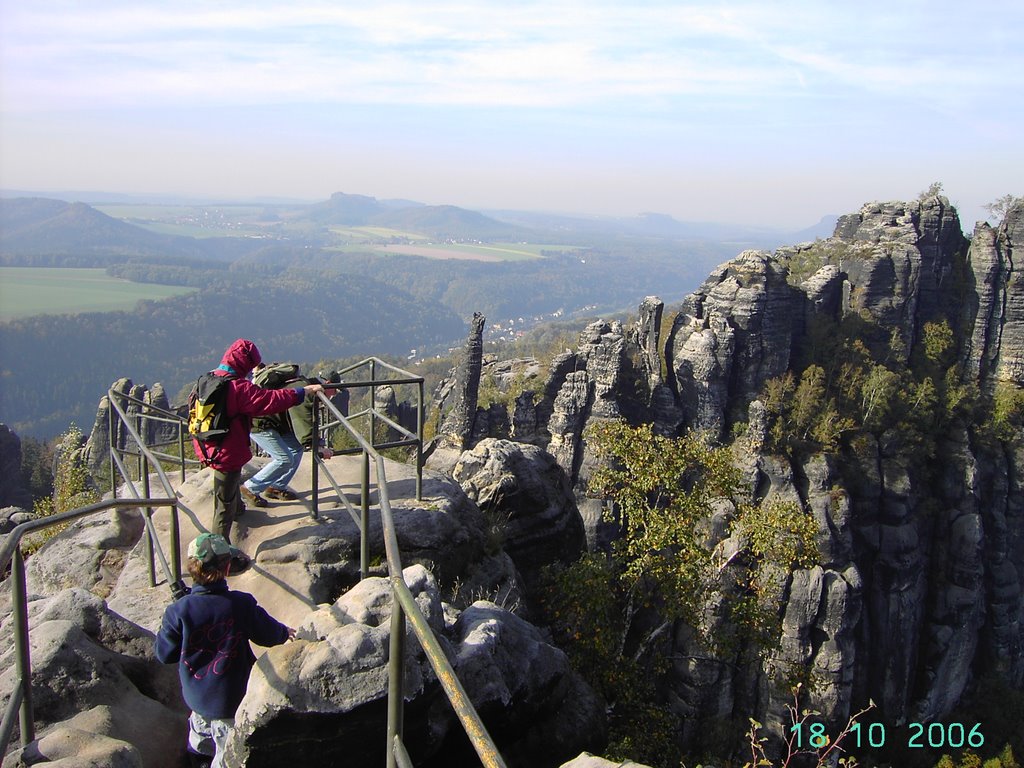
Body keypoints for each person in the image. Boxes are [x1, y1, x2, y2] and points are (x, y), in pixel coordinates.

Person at [155, 532, 295, 768]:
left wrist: (170, 621)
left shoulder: (179, 611)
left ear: (191, 567)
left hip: (196, 699)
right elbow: (268, 634)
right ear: (227, 568)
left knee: (199, 743)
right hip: (230, 702)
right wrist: (284, 632)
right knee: (225, 756)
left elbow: (164, 654)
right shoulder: (241, 604)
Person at [192, 339, 327, 541]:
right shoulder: (237, 387)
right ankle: (219, 554)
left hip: (207, 443)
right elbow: (269, 401)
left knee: (228, 487)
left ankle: (238, 507)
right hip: (227, 449)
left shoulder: (207, 379)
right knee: (223, 508)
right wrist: (302, 392)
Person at [240, 368, 346, 506]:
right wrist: (317, 446)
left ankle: (276, 487)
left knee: (296, 448)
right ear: (328, 383)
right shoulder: (306, 391)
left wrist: (316, 443)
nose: (334, 394)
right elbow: (303, 421)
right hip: (260, 423)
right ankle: (250, 488)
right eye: (335, 390)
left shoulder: (307, 387)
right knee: (284, 459)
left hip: (275, 423)